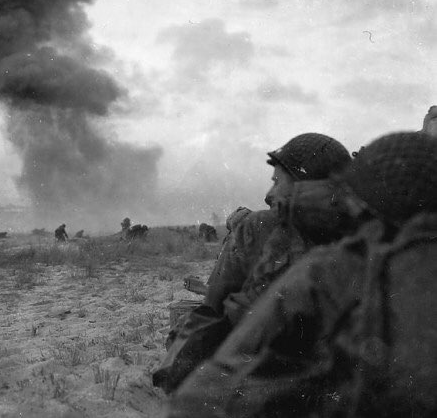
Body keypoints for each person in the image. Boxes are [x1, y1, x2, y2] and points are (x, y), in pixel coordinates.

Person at [167, 131, 437, 418]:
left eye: (278, 181)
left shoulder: (327, 264)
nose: (271, 194)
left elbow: (221, 327)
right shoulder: (317, 251)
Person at [154, 133, 351, 393]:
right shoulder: (370, 236)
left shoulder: (260, 228)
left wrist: (176, 378)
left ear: (307, 187)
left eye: (278, 181)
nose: (270, 194)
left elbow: (213, 310)